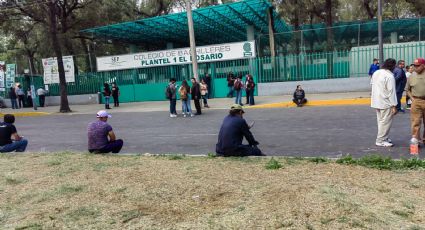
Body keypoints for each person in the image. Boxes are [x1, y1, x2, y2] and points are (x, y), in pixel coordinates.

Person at [371, 58, 398, 147]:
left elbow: (372, 85)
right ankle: (380, 140)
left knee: (381, 121)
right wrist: (394, 105)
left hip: (376, 101)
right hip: (386, 102)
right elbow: (391, 92)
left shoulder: (376, 73)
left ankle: (384, 137)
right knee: (385, 122)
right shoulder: (389, 76)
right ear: (393, 66)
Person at [405, 58, 425, 145]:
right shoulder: (411, 76)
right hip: (416, 101)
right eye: (414, 65)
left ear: (423, 66)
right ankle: (416, 140)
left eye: (417, 65)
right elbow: (407, 90)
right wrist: (412, 99)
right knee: (415, 122)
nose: (415, 67)